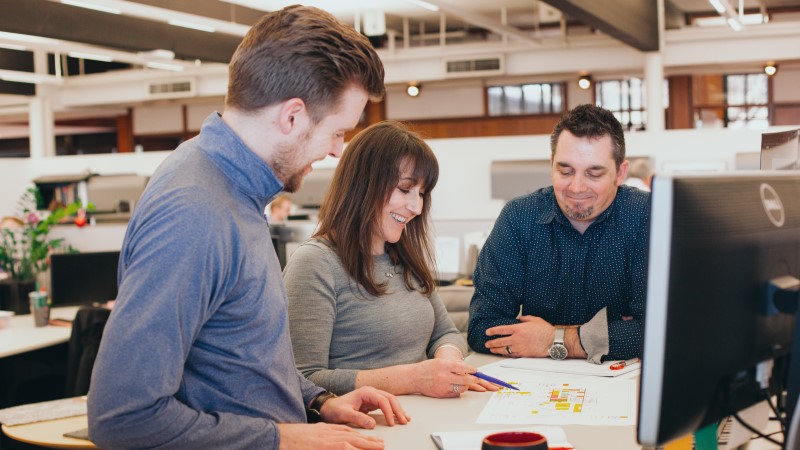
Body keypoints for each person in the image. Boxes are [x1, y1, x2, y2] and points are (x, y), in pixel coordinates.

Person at [88, 6, 410, 450]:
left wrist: (317, 401)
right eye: (337, 132)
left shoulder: (234, 189)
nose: (338, 151)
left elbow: (237, 356)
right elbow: (122, 418)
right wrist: (280, 437)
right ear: (292, 116)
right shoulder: (195, 211)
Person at [284, 121, 496, 399]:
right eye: (405, 189)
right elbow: (303, 379)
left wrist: (448, 360)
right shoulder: (315, 263)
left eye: (421, 194)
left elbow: (446, 333)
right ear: (363, 185)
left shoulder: (403, 255)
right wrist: (412, 378)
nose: (416, 207)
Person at [467, 104, 649, 364]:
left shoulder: (647, 216)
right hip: (534, 387)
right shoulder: (519, 218)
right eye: (565, 171)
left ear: (620, 173)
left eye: (594, 173)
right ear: (551, 164)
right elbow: (483, 328)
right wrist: (611, 334)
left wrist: (554, 339)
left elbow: (659, 331)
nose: (576, 187)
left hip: (621, 387)